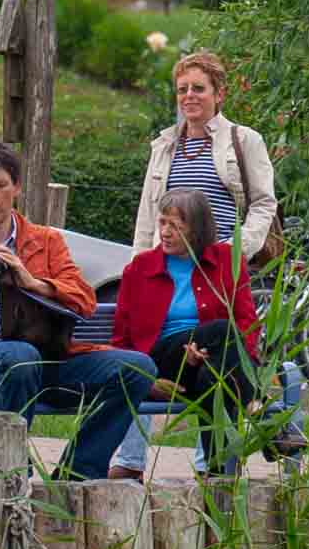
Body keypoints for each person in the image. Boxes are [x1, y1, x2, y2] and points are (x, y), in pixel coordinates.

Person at [0, 139, 156, 481]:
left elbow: (84, 301)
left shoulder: (45, 241)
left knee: (137, 368)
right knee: (19, 357)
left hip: (46, 359)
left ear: (17, 187)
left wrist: (32, 282)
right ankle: (11, 474)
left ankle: (77, 474)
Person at [110, 49, 303, 477]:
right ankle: (254, 425)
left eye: (198, 88)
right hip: (166, 266)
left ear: (219, 93)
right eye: (182, 89)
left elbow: (264, 203)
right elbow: (148, 212)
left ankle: (213, 470)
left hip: (216, 265)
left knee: (217, 353)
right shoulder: (165, 145)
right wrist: (141, 264)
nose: (189, 96)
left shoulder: (242, 140)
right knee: (217, 342)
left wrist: (235, 251)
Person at [110, 188, 262, 477]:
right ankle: (257, 407)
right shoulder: (140, 267)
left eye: (176, 226)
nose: (165, 232)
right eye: (162, 222)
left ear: (197, 230)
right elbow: (122, 338)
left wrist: (207, 354)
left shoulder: (227, 260)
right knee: (222, 329)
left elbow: (248, 322)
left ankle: (216, 474)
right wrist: (145, 379)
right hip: (161, 362)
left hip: (211, 360)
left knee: (213, 376)